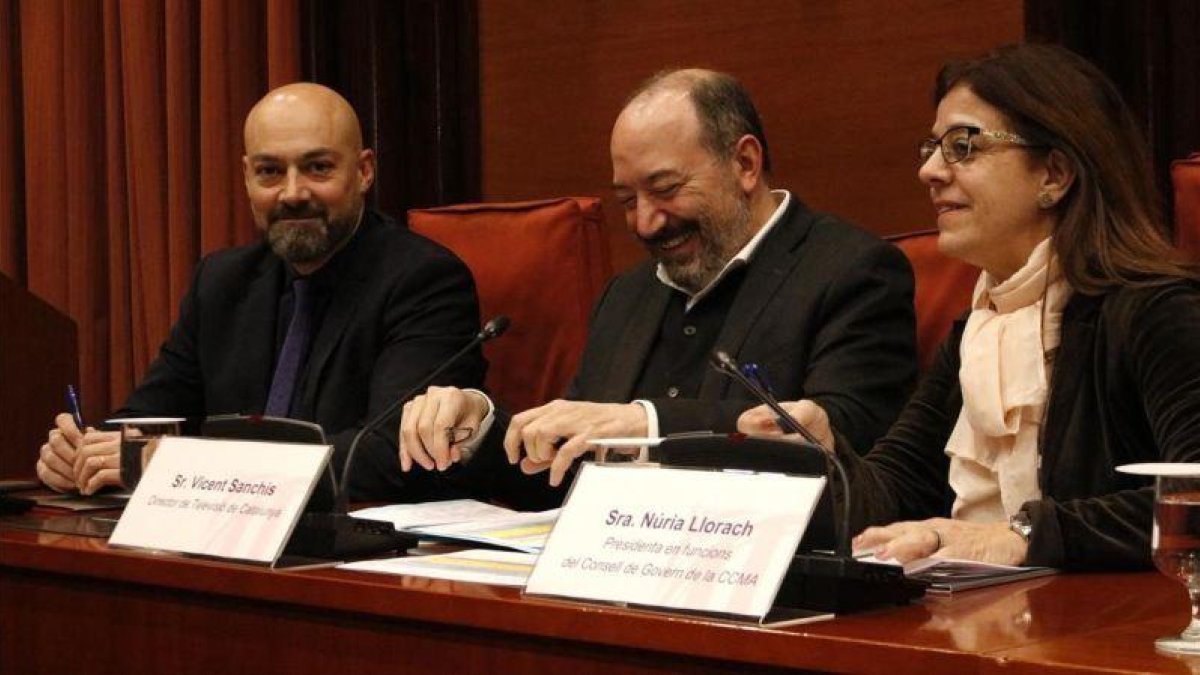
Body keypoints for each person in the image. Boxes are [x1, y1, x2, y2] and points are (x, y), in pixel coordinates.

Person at [739, 43, 1200, 571]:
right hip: (993, 623)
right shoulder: (977, 326)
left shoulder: (1155, 311)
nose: (930, 171)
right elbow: (894, 491)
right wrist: (823, 450)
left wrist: (1018, 536)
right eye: (932, 148)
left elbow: (1192, 501)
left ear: (1054, 175)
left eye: (963, 147)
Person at [400, 68, 917, 505]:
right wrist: (479, 428)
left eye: (666, 190)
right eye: (627, 199)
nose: (646, 223)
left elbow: (849, 434)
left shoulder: (852, 271)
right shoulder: (627, 294)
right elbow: (566, 470)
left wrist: (643, 423)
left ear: (745, 163)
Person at [35, 83, 485, 501]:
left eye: (318, 168)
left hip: (348, 552)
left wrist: (176, 463)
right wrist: (86, 452)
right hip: (217, 541)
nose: (292, 193)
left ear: (364, 171)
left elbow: (390, 455)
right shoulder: (222, 281)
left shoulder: (424, 279)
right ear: (247, 176)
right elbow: (147, 418)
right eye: (270, 171)